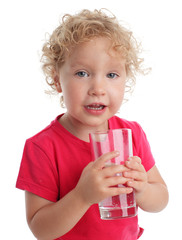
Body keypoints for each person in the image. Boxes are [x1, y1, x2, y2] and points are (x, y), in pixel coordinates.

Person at [16, 9, 169, 240]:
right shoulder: (42, 147)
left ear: (127, 79)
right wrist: (82, 196)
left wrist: (144, 189)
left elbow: (161, 199)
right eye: (82, 73)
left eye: (111, 75)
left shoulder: (131, 134)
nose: (98, 88)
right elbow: (40, 229)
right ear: (57, 80)